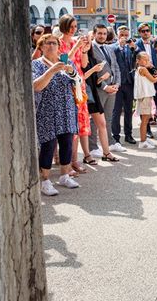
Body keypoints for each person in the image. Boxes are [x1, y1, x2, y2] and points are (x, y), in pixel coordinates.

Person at [32, 34, 81, 195]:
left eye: (54, 43)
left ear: (59, 46)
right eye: (46, 43)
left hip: (66, 109)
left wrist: (72, 72)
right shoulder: (36, 64)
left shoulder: (66, 61)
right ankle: (45, 180)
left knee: (67, 143)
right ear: (40, 47)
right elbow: (36, 86)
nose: (51, 46)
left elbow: (77, 82)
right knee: (48, 145)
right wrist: (52, 70)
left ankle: (64, 175)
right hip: (47, 111)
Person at [58, 14, 92, 175]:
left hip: (79, 85)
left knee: (78, 124)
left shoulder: (74, 42)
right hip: (65, 86)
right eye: (71, 26)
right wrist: (76, 46)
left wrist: (84, 50)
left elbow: (83, 64)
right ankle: (68, 162)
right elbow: (64, 62)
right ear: (64, 26)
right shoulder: (58, 42)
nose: (73, 29)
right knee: (69, 125)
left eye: (75, 26)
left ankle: (74, 160)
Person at [88, 24, 122, 157]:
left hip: (113, 88)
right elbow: (92, 72)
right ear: (95, 34)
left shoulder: (109, 48)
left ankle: (109, 143)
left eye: (104, 33)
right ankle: (92, 147)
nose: (102, 36)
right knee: (95, 120)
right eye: (99, 33)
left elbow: (116, 67)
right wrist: (105, 86)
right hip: (99, 89)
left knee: (107, 118)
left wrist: (117, 84)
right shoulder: (90, 49)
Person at [83, 44, 120, 163]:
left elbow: (95, 79)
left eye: (88, 42)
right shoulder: (80, 57)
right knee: (83, 127)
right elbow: (81, 76)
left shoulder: (92, 57)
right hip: (84, 93)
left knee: (102, 123)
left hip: (93, 92)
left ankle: (106, 153)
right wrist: (95, 70)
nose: (87, 45)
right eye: (85, 42)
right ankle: (88, 154)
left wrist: (103, 78)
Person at [135, 23, 157, 136]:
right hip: (143, 77)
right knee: (145, 105)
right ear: (140, 32)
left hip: (154, 75)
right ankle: (147, 130)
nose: (146, 33)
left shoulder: (155, 43)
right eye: (143, 31)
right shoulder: (136, 45)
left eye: (147, 31)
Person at [133, 52, 157, 149]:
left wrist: (155, 70)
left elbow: (154, 75)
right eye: (144, 59)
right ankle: (142, 141)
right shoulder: (143, 69)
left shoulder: (143, 68)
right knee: (145, 120)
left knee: (146, 118)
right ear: (138, 60)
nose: (146, 61)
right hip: (145, 96)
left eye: (147, 59)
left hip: (146, 96)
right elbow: (153, 80)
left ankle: (144, 138)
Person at [112, 26, 137, 146]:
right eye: (122, 35)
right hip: (117, 83)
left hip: (129, 83)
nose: (124, 37)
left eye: (126, 35)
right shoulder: (112, 47)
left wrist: (134, 49)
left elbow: (136, 59)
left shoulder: (130, 47)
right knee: (116, 111)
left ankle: (128, 135)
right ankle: (115, 137)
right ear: (117, 35)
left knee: (128, 111)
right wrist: (120, 45)